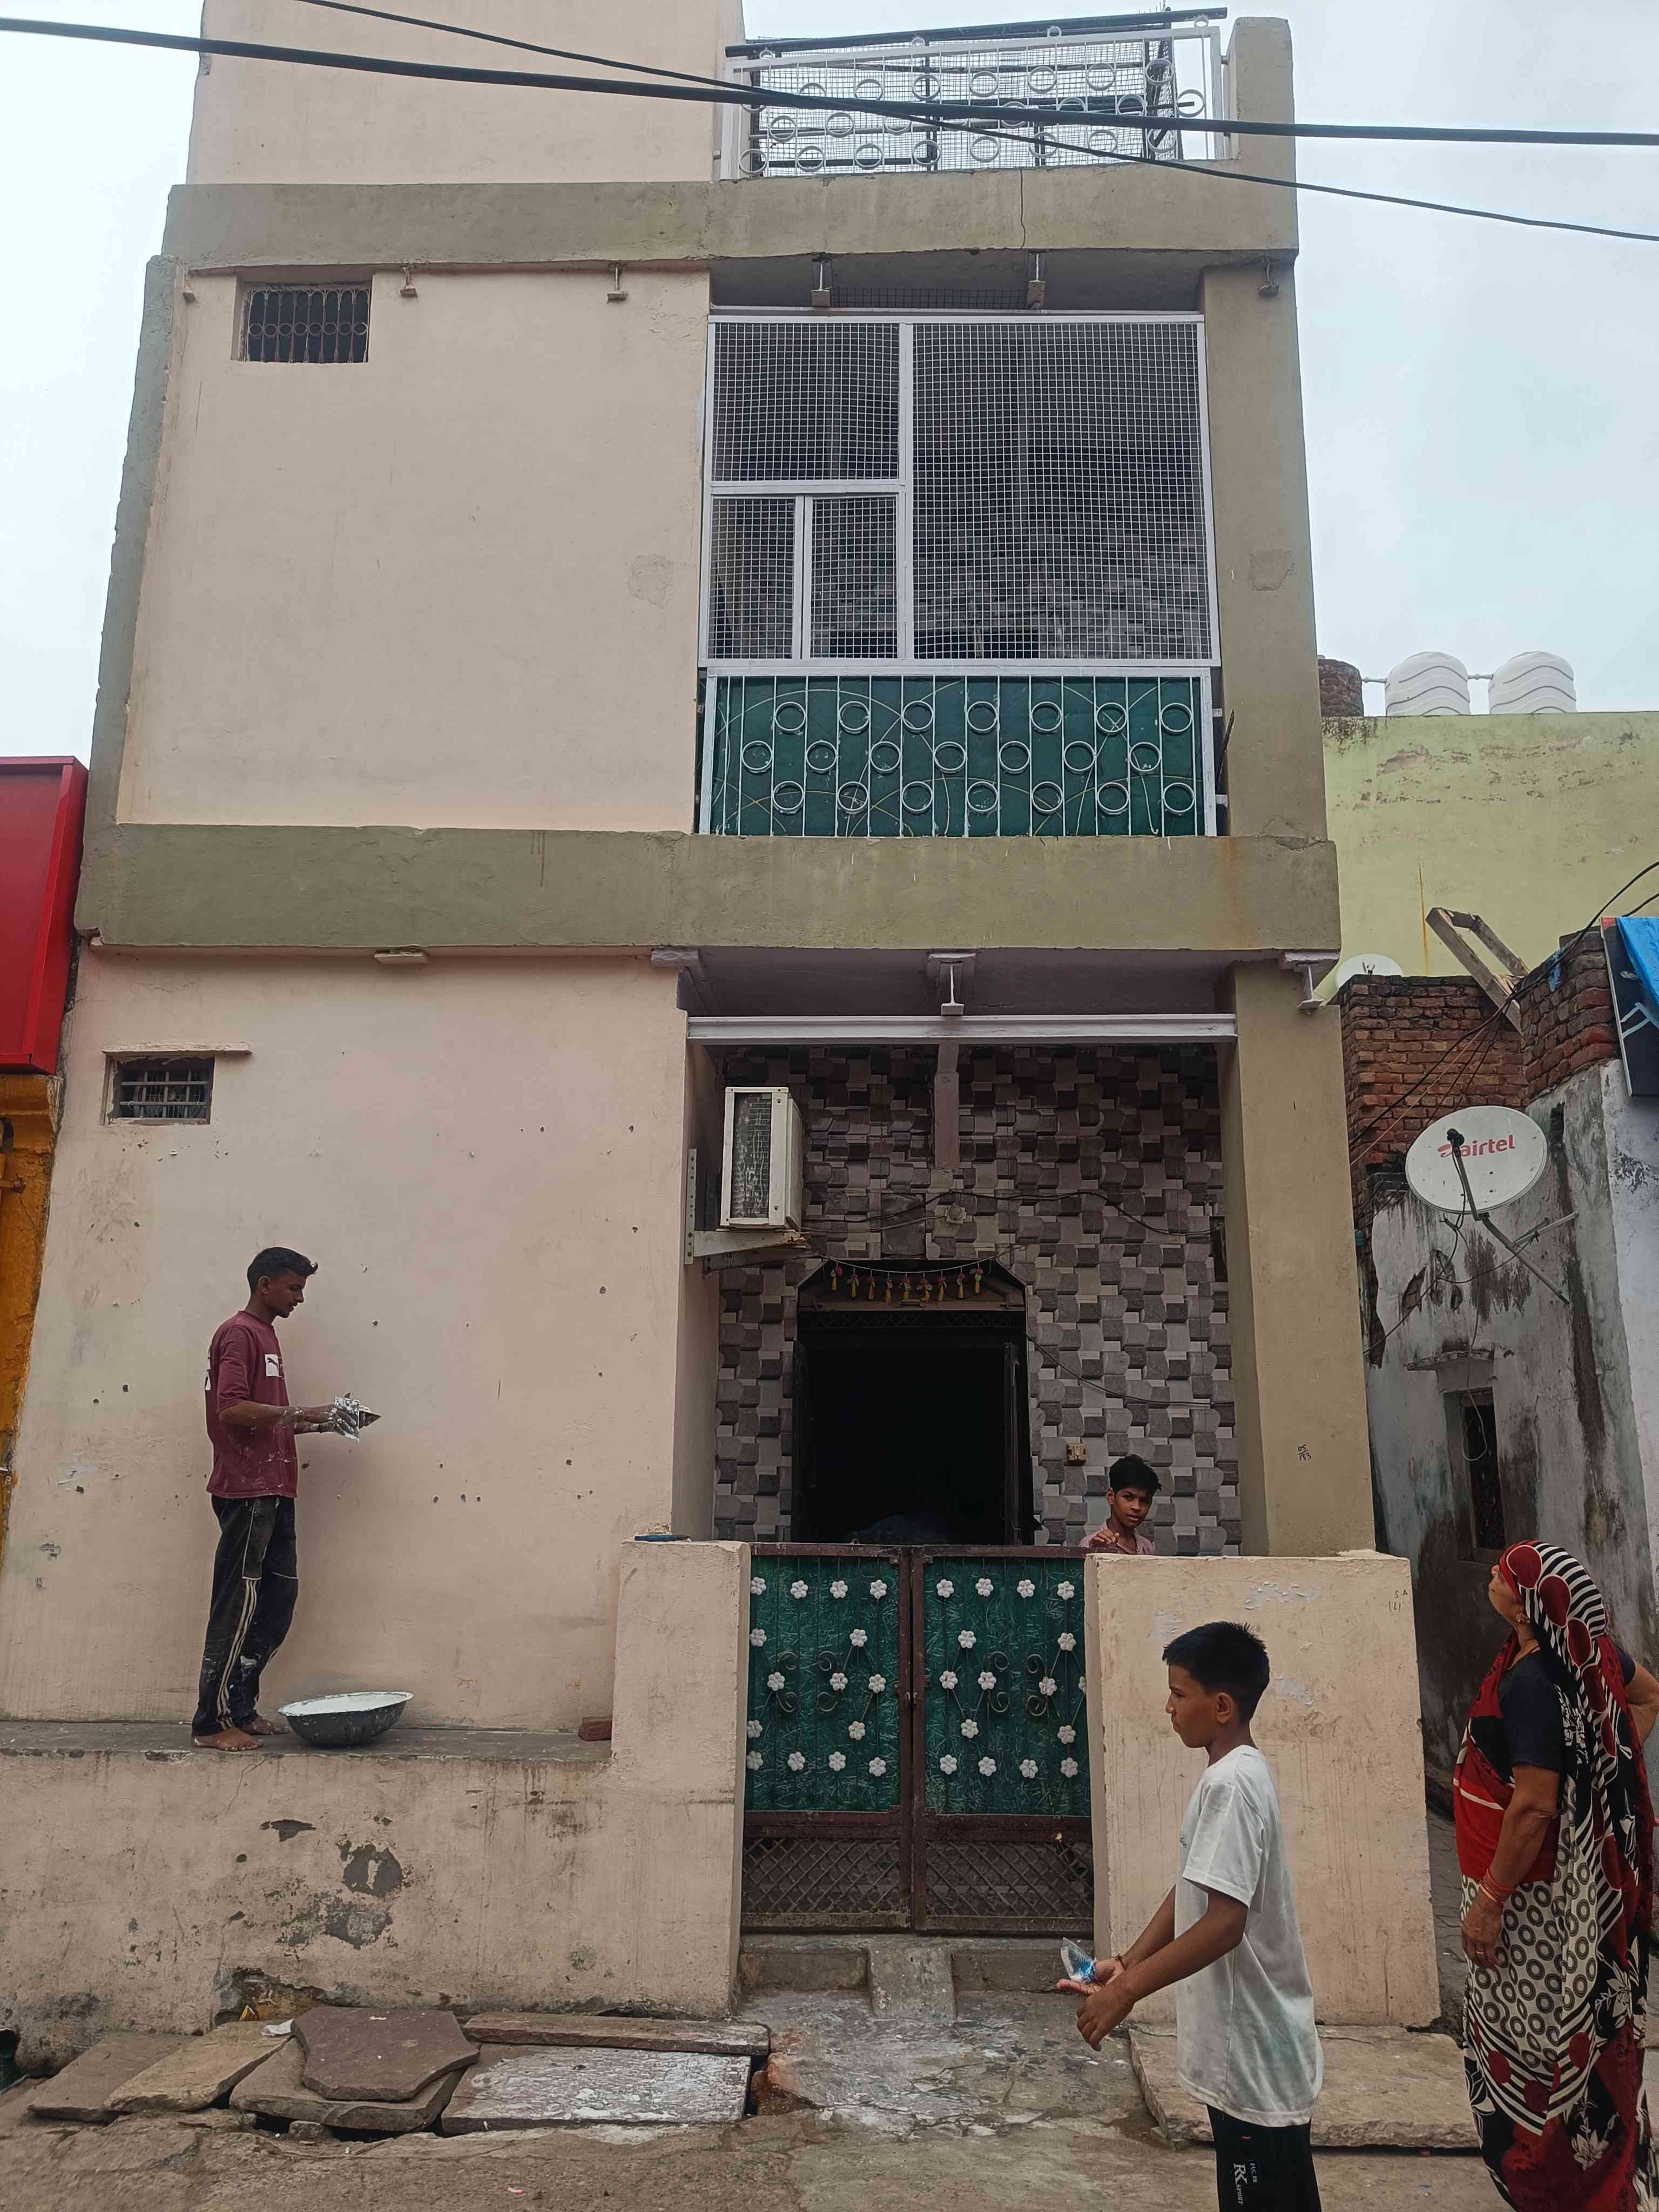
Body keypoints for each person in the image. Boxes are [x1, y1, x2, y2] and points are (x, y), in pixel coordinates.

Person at [1064, 1620, 1323, 2211]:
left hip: (1253, 2056)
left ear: (1222, 1706)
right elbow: (1192, 1887)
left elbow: (1225, 1923)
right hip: (1251, 2054)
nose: (1169, 1707)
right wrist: (1126, 1962)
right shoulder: (1232, 1775)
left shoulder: (1232, 1785)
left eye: (1179, 1694)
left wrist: (1126, 1991)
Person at [1454, 1541, 1659, 2207]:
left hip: (1532, 1902)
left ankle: (1561, 2183)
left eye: (1507, 1574)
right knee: (1562, 2034)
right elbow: (1647, 1694)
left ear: (1527, 1607)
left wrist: (1491, 1900)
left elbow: (1537, 1804)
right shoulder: (1586, 1653)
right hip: (1549, 1886)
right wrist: (1601, 1772)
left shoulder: (1533, 1684)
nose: (1494, 1572)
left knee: (1538, 2044)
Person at [191, 1247, 368, 1750]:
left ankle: (241, 1709)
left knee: (277, 1602)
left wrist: (324, 1422)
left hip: (275, 1488)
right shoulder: (240, 1333)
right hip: (248, 1491)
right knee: (238, 1603)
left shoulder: (267, 1335)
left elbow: (266, 1421)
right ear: (264, 1284)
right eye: (294, 1288)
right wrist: (300, 1412)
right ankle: (210, 1723)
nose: (300, 1298)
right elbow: (230, 1410)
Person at [1083, 1454, 1159, 1555]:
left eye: (1145, 1501)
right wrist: (1097, 1554)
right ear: (1111, 1496)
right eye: (1128, 1497)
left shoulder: (1147, 1547)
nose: (1137, 1507)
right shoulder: (1090, 1545)